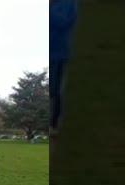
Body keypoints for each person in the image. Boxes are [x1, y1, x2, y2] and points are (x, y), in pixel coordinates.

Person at [49, 0, 78, 137]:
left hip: (59, 52)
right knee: (51, 90)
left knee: (55, 90)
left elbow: (64, 22)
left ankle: (53, 123)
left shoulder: (69, 4)